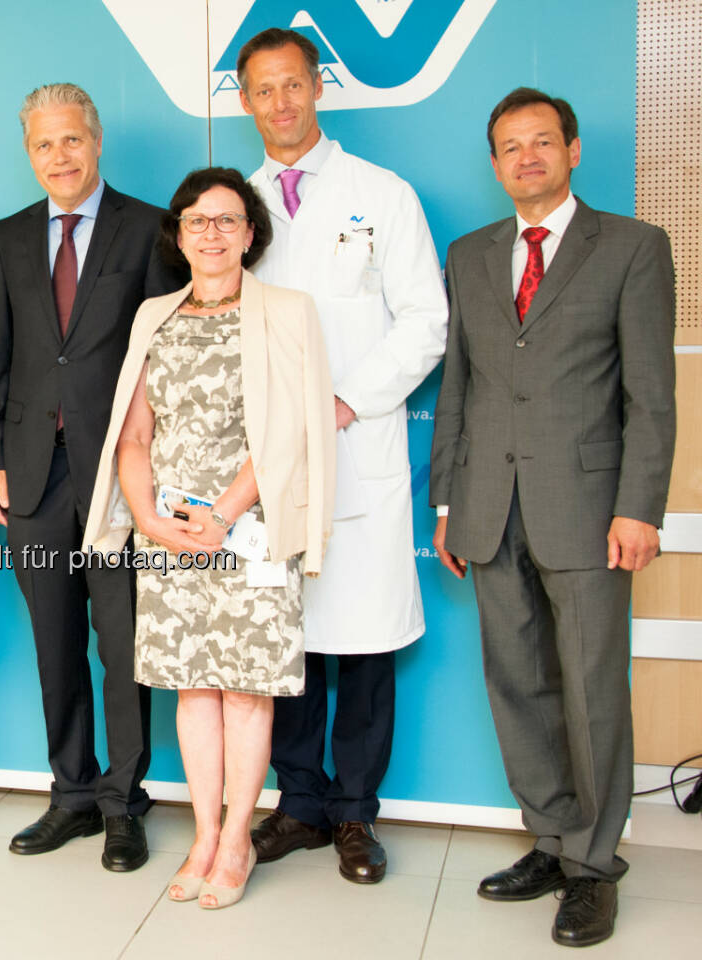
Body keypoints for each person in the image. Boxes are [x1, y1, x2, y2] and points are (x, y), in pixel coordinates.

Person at [431, 87, 675, 948]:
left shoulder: (635, 248)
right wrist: (449, 500)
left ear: (573, 151)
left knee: (593, 691)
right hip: (491, 509)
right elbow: (458, 385)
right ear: (494, 163)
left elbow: (652, 396)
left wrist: (639, 508)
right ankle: (551, 835)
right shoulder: (471, 253)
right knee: (519, 685)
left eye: (542, 142)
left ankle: (595, 866)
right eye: (509, 146)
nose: (526, 157)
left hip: (588, 510)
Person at [85, 167, 334, 908]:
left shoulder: (289, 311)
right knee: (192, 689)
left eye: (228, 220)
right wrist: (150, 518)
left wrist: (222, 515)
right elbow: (133, 435)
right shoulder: (153, 316)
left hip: (250, 528)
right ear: (180, 233)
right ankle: (202, 833)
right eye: (198, 221)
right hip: (168, 532)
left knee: (247, 692)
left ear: (251, 234)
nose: (213, 233)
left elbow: (289, 432)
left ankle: (237, 843)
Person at [236, 27, 449, 883]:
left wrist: (346, 400)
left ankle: (356, 815)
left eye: (294, 85)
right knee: (284, 638)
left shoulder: (381, 194)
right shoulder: (235, 204)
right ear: (244, 100)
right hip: (267, 461)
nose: (281, 103)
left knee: (359, 640)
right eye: (263, 90)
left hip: (356, 442)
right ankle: (300, 805)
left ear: (318, 87)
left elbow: (425, 320)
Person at [0, 82, 186, 873]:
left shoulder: (148, 228)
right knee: (53, 641)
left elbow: (167, 349)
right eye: (43, 145)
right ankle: (71, 794)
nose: (58, 157)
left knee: (123, 642)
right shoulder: (8, 236)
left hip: (121, 471)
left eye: (71, 140)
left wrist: (159, 466)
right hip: (32, 474)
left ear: (96, 142)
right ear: (28, 153)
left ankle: (123, 802)